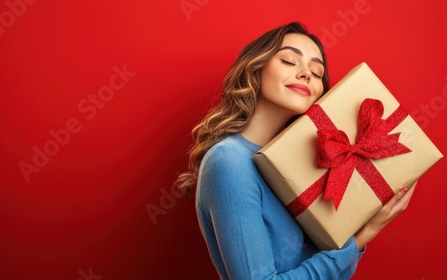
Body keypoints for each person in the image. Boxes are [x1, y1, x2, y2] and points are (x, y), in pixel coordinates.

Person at [175, 21, 416, 279]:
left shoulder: (297, 163)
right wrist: (363, 236)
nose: (307, 74)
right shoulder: (229, 161)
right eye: (289, 61)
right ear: (255, 69)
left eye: (317, 71)